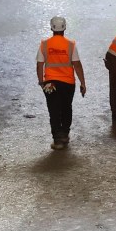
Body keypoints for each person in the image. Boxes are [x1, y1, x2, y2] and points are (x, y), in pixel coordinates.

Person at [36, 16, 86, 149]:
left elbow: (40, 65)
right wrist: (83, 83)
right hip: (68, 83)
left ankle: (57, 140)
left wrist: (41, 82)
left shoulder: (44, 44)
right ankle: (65, 134)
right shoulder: (71, 45)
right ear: (65, 27)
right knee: (66, 107)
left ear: (51, 27)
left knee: (53, 110)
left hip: (50, 83)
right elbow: (77, 65)